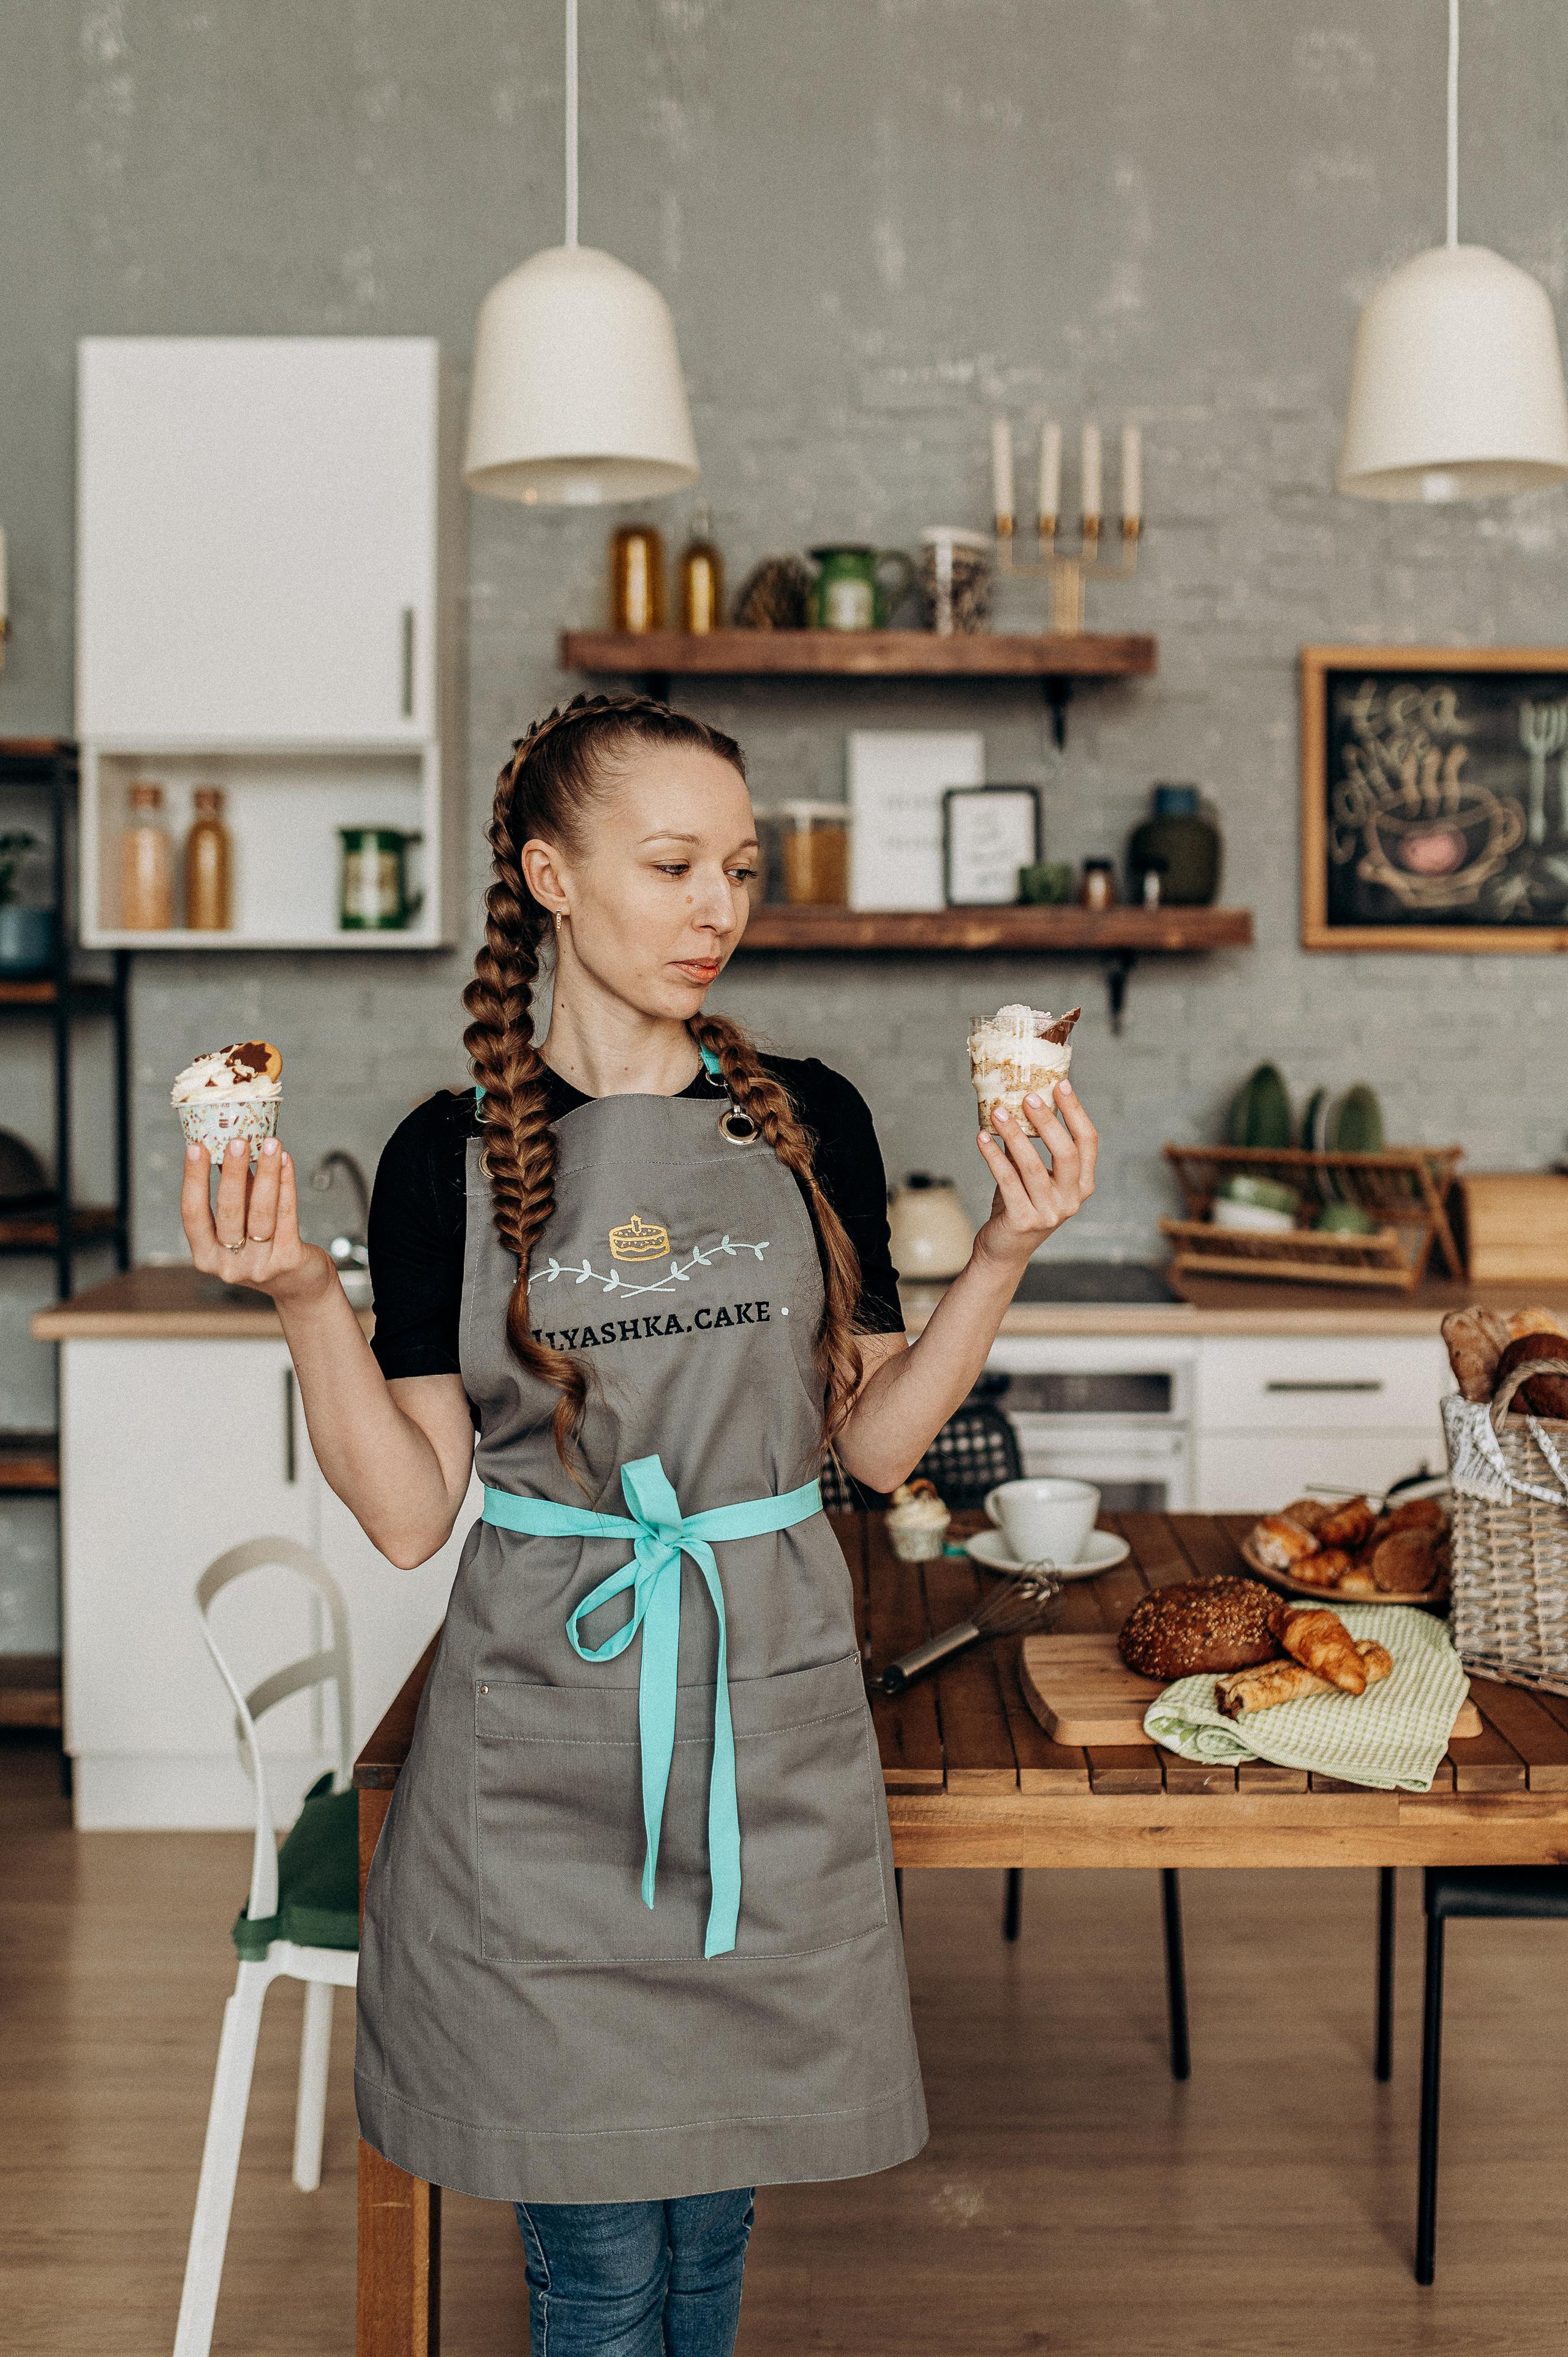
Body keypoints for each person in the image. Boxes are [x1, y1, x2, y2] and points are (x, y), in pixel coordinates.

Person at [180, 693, 1098, 2357]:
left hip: (770, 1733)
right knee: (598, 2271)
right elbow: (404, 1516)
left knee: (711, 2226)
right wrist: (306, 1292)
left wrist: (1009, 1255)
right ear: (549, 875)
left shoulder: (809, 1120)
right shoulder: (441, 1159)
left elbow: (879, 1446)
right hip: (542, 1763)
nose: (716, 908)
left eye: (737, 869)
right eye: (672, 864)